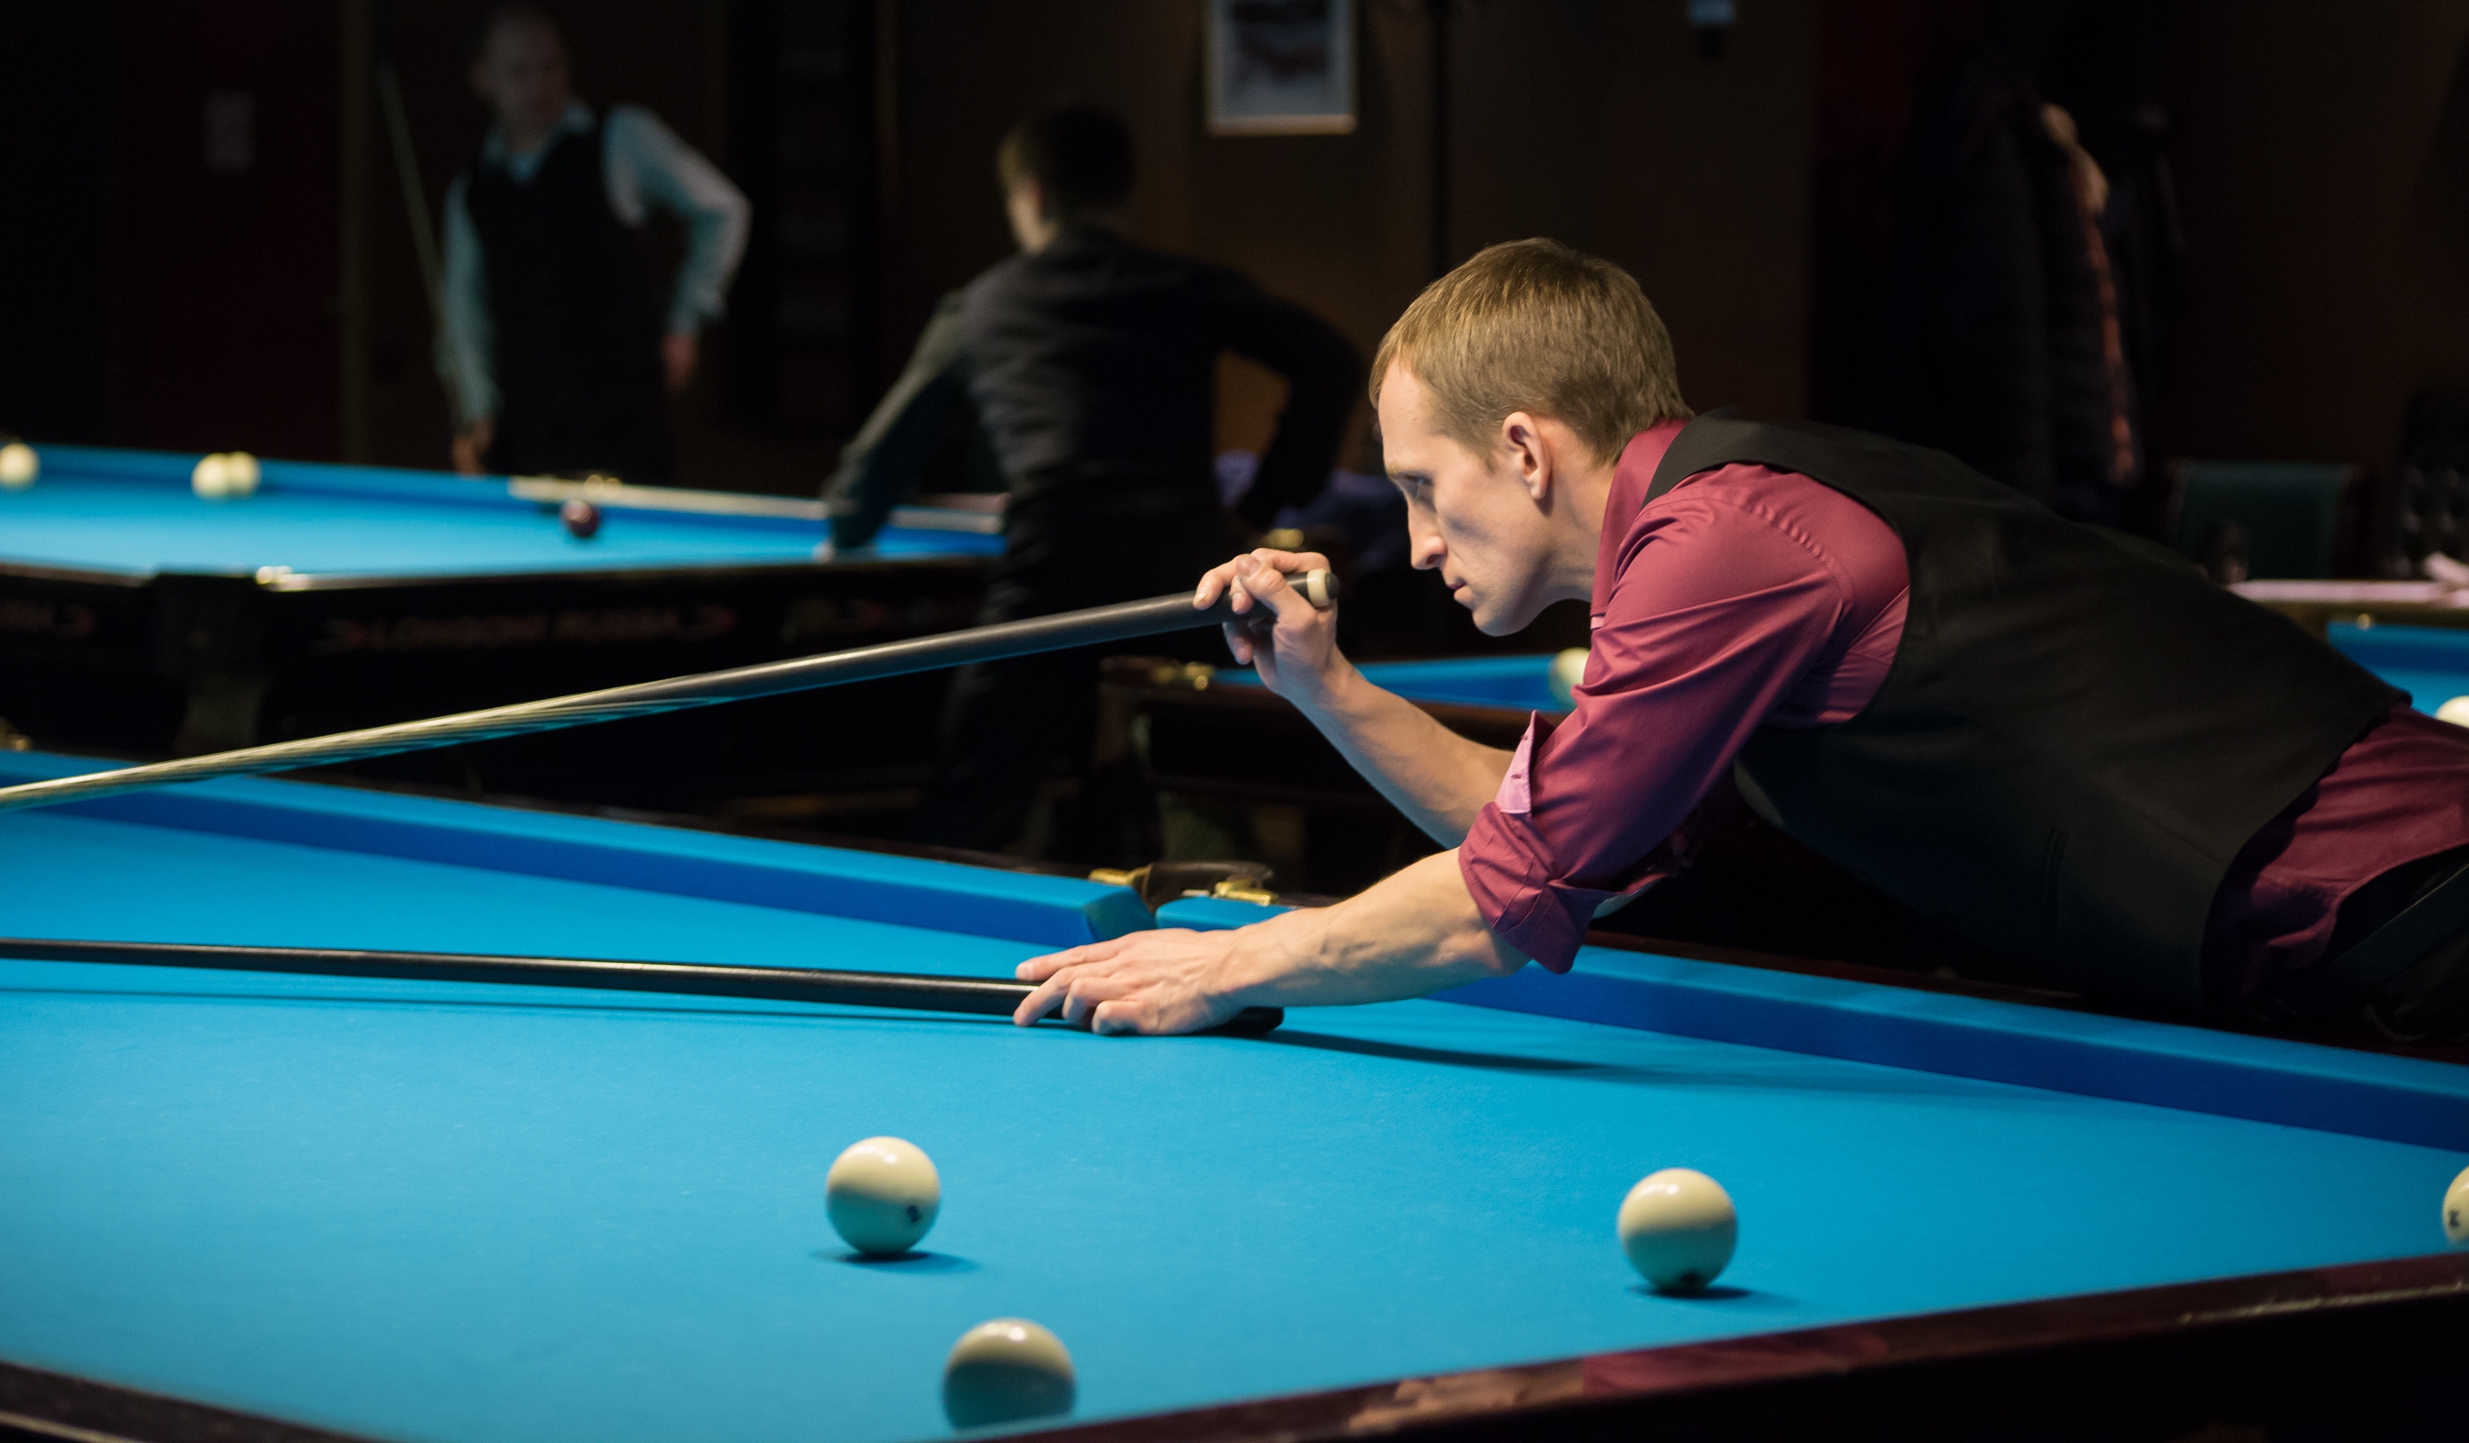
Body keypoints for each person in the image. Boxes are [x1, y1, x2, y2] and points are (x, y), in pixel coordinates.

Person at [1011, 238, 2469, 1038]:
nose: (1417, 542)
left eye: (1422, 486)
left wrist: (1235, 960)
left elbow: (1493, 902)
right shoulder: (1700, 542)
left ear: (1522, 448)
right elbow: (1547, 839)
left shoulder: (1723, 544)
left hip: (2415, 895)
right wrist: (1327, 688)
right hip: (2341, 935)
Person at [822, 101, 1361, 850]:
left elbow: (872, 474)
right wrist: (1266, 500)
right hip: (1186, 582)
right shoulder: (1186, 284)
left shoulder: (981, 307)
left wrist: (849, 522)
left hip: (1050, 584)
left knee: (966, 810)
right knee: (1212, 790)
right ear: (1121, 192)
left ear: (1032, 194)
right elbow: (1331, 361)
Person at [435, 3, 750, 486]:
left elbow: (723, 208)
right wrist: (477, 412)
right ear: (483, 79)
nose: (540, 85)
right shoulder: (471, 190)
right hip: (526, 434)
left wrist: (686, 323)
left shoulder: (622, 136)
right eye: (519, 71)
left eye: (550, 66)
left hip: (626, 427)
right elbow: (463, 314)